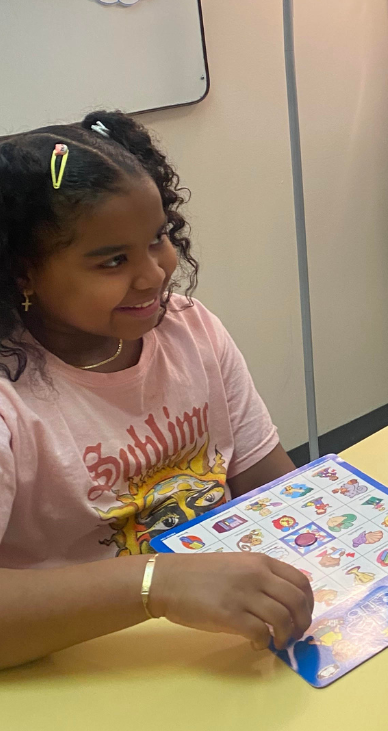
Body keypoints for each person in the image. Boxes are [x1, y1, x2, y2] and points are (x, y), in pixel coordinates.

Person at [0, 112, 314, 668]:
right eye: (113, 261)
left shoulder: (191, 329)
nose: (154, 275)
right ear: (23, 273)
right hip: (85, 662)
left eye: (158, 239)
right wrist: (159, 583)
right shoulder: (14, 399)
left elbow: (274, 488)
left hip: (224, 640)